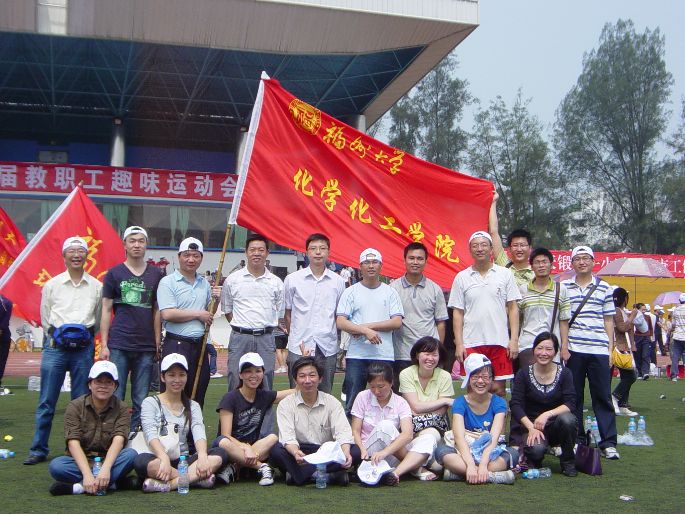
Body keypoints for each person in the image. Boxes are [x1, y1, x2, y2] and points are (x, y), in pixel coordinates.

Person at [25, 236, 102, 465]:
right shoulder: (52, 285)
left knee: (81, 402)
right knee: (46, 401)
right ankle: (38, 449)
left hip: (83, 349)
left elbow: (97, 319)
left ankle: (76, 449)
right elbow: (45, 316)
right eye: (72, 251)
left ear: (87, 255)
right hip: (56, 348)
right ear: (64, 256)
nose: (76, 255)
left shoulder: (96, 286)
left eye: (80, 251)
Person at [134, 353, 228, 492]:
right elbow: (150, 433)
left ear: (186, 377)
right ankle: (195, 479)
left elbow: (198, 430)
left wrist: (202, 456)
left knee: (220, 454)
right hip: (158, 457)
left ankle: (169, 485)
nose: (177, 380)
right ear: (163, 377)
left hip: (184, 460)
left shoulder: (193, 405)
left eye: (181, 375)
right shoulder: (150, 402)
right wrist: (164, 458)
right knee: (140, 461)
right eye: (171, 375)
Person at [100, 226, 163, 430]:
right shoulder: (114, 273)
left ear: (146, 245)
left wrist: (157, 341)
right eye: (132, 241)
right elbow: (106, 309)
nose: (137, 245)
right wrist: (104, 344)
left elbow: (157, 310)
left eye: (141, 241)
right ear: (125, 245)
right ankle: (115, 435)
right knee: (116, 395)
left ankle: (135, 435)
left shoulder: (156, 274)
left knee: (141, 397)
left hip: (145, 346)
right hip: (119, 343)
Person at [561, 245, 619, 460]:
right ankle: (577, 440)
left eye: (586, 258)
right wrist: (564, 346)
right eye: (578, 259)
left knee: (602, 396)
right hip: (574, 349)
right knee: (574, 396)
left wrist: (610, 349)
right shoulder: (564, 287)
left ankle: (608, 442)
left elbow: (609, 320)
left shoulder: (604, 287)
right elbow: (563, 319)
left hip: (599, 350)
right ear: (572, 263)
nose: (582, 262)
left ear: (594, 262)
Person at [48, 361, 138, 495]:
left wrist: (105, 469)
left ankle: (79, 487)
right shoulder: (75, 406)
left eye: (108, 382)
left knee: (130, 455)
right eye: (98, 381)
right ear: (90, 384)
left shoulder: (122, 408)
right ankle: (112, 484)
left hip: (109, 460)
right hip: (82, 461)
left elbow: (118, 440)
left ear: (115, 386)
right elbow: (73, 442)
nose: (103, 386)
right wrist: (87, 474)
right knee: (57, 466)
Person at [449, 231, 521, 396]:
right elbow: (458, 313)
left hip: (499, 341)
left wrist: (514, 340)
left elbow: (513, 308)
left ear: (491, 249)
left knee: (498, 389)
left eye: (484, 245)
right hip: (471, 342)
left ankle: (499, 415)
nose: (480, 249)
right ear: (470, 250)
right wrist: (459, 344)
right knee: (473, 388)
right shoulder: (462, 277)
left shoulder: (505, 274)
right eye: (475, 246)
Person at [270, 356, 362, 486]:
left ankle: (300, 475)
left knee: (355, 451)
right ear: (295, 380)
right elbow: (287, 436)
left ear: (320, 378)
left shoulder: (332, 402)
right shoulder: (286, 404)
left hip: (325, 451)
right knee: (276, 451)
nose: (307, 381)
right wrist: (295, 452)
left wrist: (346, 451)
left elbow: (343, 432)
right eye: (302, 376)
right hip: (300, 450)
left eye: (312, 375)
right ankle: (327, 475)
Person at [336, 248, 403, 414]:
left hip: (383, 354)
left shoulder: (390, 292)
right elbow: (341, 321)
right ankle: (352, 430)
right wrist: (365, 331)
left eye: (375, 262)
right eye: (366, 262)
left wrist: (366, 328)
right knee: (353, 402)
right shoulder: (351, 292)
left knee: (385, 401)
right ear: (360, 266)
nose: (371, 266)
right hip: (357, 355)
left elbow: (397, 321)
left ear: (381, 266)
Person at [213, 352, 295, 486]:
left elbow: (294, 391)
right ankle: (262, 467)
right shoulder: (230, 398)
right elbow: (225, 435)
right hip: (231, 447)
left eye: (258, 371)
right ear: (240, 375)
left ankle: (235, 467)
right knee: (223, 442)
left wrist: (304, 365)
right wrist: (245, 448)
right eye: (248, 371)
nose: (253, 375)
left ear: (263, 373)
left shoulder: (263, 395)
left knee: (273, 438)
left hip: (255, 449)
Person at [157, 237, 220, 407]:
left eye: (195, 255)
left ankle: (194, 424)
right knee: (174, 394)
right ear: (179, 257)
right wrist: (198, 314)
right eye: (187, 255)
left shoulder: (204, 283)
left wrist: (216, 300)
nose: (191, 259)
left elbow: (209, 314)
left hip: (199, 346)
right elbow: (167, 313)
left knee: (198, 392)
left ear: (201, 258)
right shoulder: (168, 282)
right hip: (176, 344)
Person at [436, 354, 517, 485]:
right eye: (475, 377)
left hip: (489, 452)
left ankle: (461, 474)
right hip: (464, 450)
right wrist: (470, 465)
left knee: (513, 454)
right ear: (469, 379)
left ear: (491, 379)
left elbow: (494, 437)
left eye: (485, 377)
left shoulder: (499, 403)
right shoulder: (460, 402)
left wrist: (483, 464)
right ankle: (491, 476)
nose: (480, 381)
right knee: (441, 452)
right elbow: (459, 437)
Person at [351, 361, 437, 485]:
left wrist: (386, 452)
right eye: (372, 387)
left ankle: (396, 473)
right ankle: (415, 468)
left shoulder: (400, 402)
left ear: (391, 383)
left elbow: (408, 434)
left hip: (392, 453)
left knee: (429, 438)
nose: (376, 391)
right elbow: (355, 430)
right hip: (369, 452)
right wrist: (362, 449)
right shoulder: (362, 397)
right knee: (385, 426)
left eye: (381, 387)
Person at [222, 234, 284, 394]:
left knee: (266, 381)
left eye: (261, 250)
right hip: (240, 338)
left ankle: (263, 412)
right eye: (253, 250)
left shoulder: (276, 282)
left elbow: (280, 311)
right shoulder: (232, 280)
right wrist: (242, 327)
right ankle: (233, 411)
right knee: (235, 378)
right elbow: (227, 310)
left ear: (267, 253)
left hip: (266, 338)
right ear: (246, 252)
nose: (257, 253)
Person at [509, 332, 577, 477]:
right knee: (536, 451)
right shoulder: (523, 374)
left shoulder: (565, 373)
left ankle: (568, 461)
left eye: (548, 349)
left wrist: (547, 414)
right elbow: (515, 404)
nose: (543, 353)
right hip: (532, 425)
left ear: (555, 352)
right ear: (533, 350)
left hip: (556, 424)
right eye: (539, 348)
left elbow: (570, 403)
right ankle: (536, 456)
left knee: (568, 419)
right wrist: (530, 427)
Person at [284, 233, 345, 393]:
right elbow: (287, 313)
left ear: (328, 252)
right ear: (306, 252)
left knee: (325, 394)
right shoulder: (292, 279)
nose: (318, 252)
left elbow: (339, 315)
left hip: (327, 346)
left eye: (322, 248)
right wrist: (294, 336)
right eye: (313, 248)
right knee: (297, 393)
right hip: (299, 345)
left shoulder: (338, 281)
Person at [390, 242, 448, 389]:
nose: (415, 262)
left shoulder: (435, 289)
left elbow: (440, 323)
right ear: (404, 260)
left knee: (429, 395)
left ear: (426, 262)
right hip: (402, 353)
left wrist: (436, 351)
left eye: (420, 259)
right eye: (411, 258)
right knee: (402, 396)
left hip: (428, 355)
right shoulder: (393, 289)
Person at [398, 337, 454, 481]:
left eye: (434, 354)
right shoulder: (406, 374)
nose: (430, 358)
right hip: (410, 428)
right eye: (426, 354)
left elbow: (441, 412)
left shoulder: (445, 376)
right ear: (417, 355)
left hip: (436, 428)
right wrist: (444, 400)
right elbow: (415, 406)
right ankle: (417, 467)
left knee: (431, 436)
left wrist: (419, 411)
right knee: (437, 465)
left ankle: (414, 465)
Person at [517, 248, 571, 370]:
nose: (541, 265)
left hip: (551, 345)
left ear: (551, 265)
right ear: (532, 267)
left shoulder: (561, 290)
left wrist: (564, 347)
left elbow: (563, 321)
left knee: (551, 379)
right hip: (527, 344)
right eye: (537, 262)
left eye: (544, 262)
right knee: (530, 379)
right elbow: (517, 319)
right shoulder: (523, 290)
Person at [489, 193, 534, 287]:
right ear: (509, 249)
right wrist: (493, 202)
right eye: (515, 245)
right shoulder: (504, 266)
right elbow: (493, 232)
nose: (519, 249)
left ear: (530, 248)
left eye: (522, 245)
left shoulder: (537, 272)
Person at [610, 288, 639, 416]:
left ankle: (623, 404)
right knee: (631, 376)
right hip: (621, 347)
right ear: (624, 299)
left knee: (626, 376)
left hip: (625, 346)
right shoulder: (617, 311)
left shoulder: (620, 311)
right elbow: (622, 328)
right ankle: (615, 397)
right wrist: (632, 317)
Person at [632, 303, 653, 380]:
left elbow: (650, 328)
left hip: (646, 337)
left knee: (645, 355)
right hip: (637, 337)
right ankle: (639, 373)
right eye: (642, 309)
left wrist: (651, 336)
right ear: (638, 310)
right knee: (637, 355)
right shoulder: (634, 317)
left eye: (645, 309)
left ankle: (645, 372)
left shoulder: (647, 317)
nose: (644, 311)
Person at [668, 293, 685, 382]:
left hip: (677, 336)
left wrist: (671, 330)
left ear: (680, 301)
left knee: (675, 356)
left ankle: (674, 375)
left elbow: (673, 324)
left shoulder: (676, 310)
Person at [0, 294, 12, 392]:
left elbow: (5, 320)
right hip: (4, 334)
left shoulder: (6, 302)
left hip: (3, 335)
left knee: (1, 360)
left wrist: (1, 328)